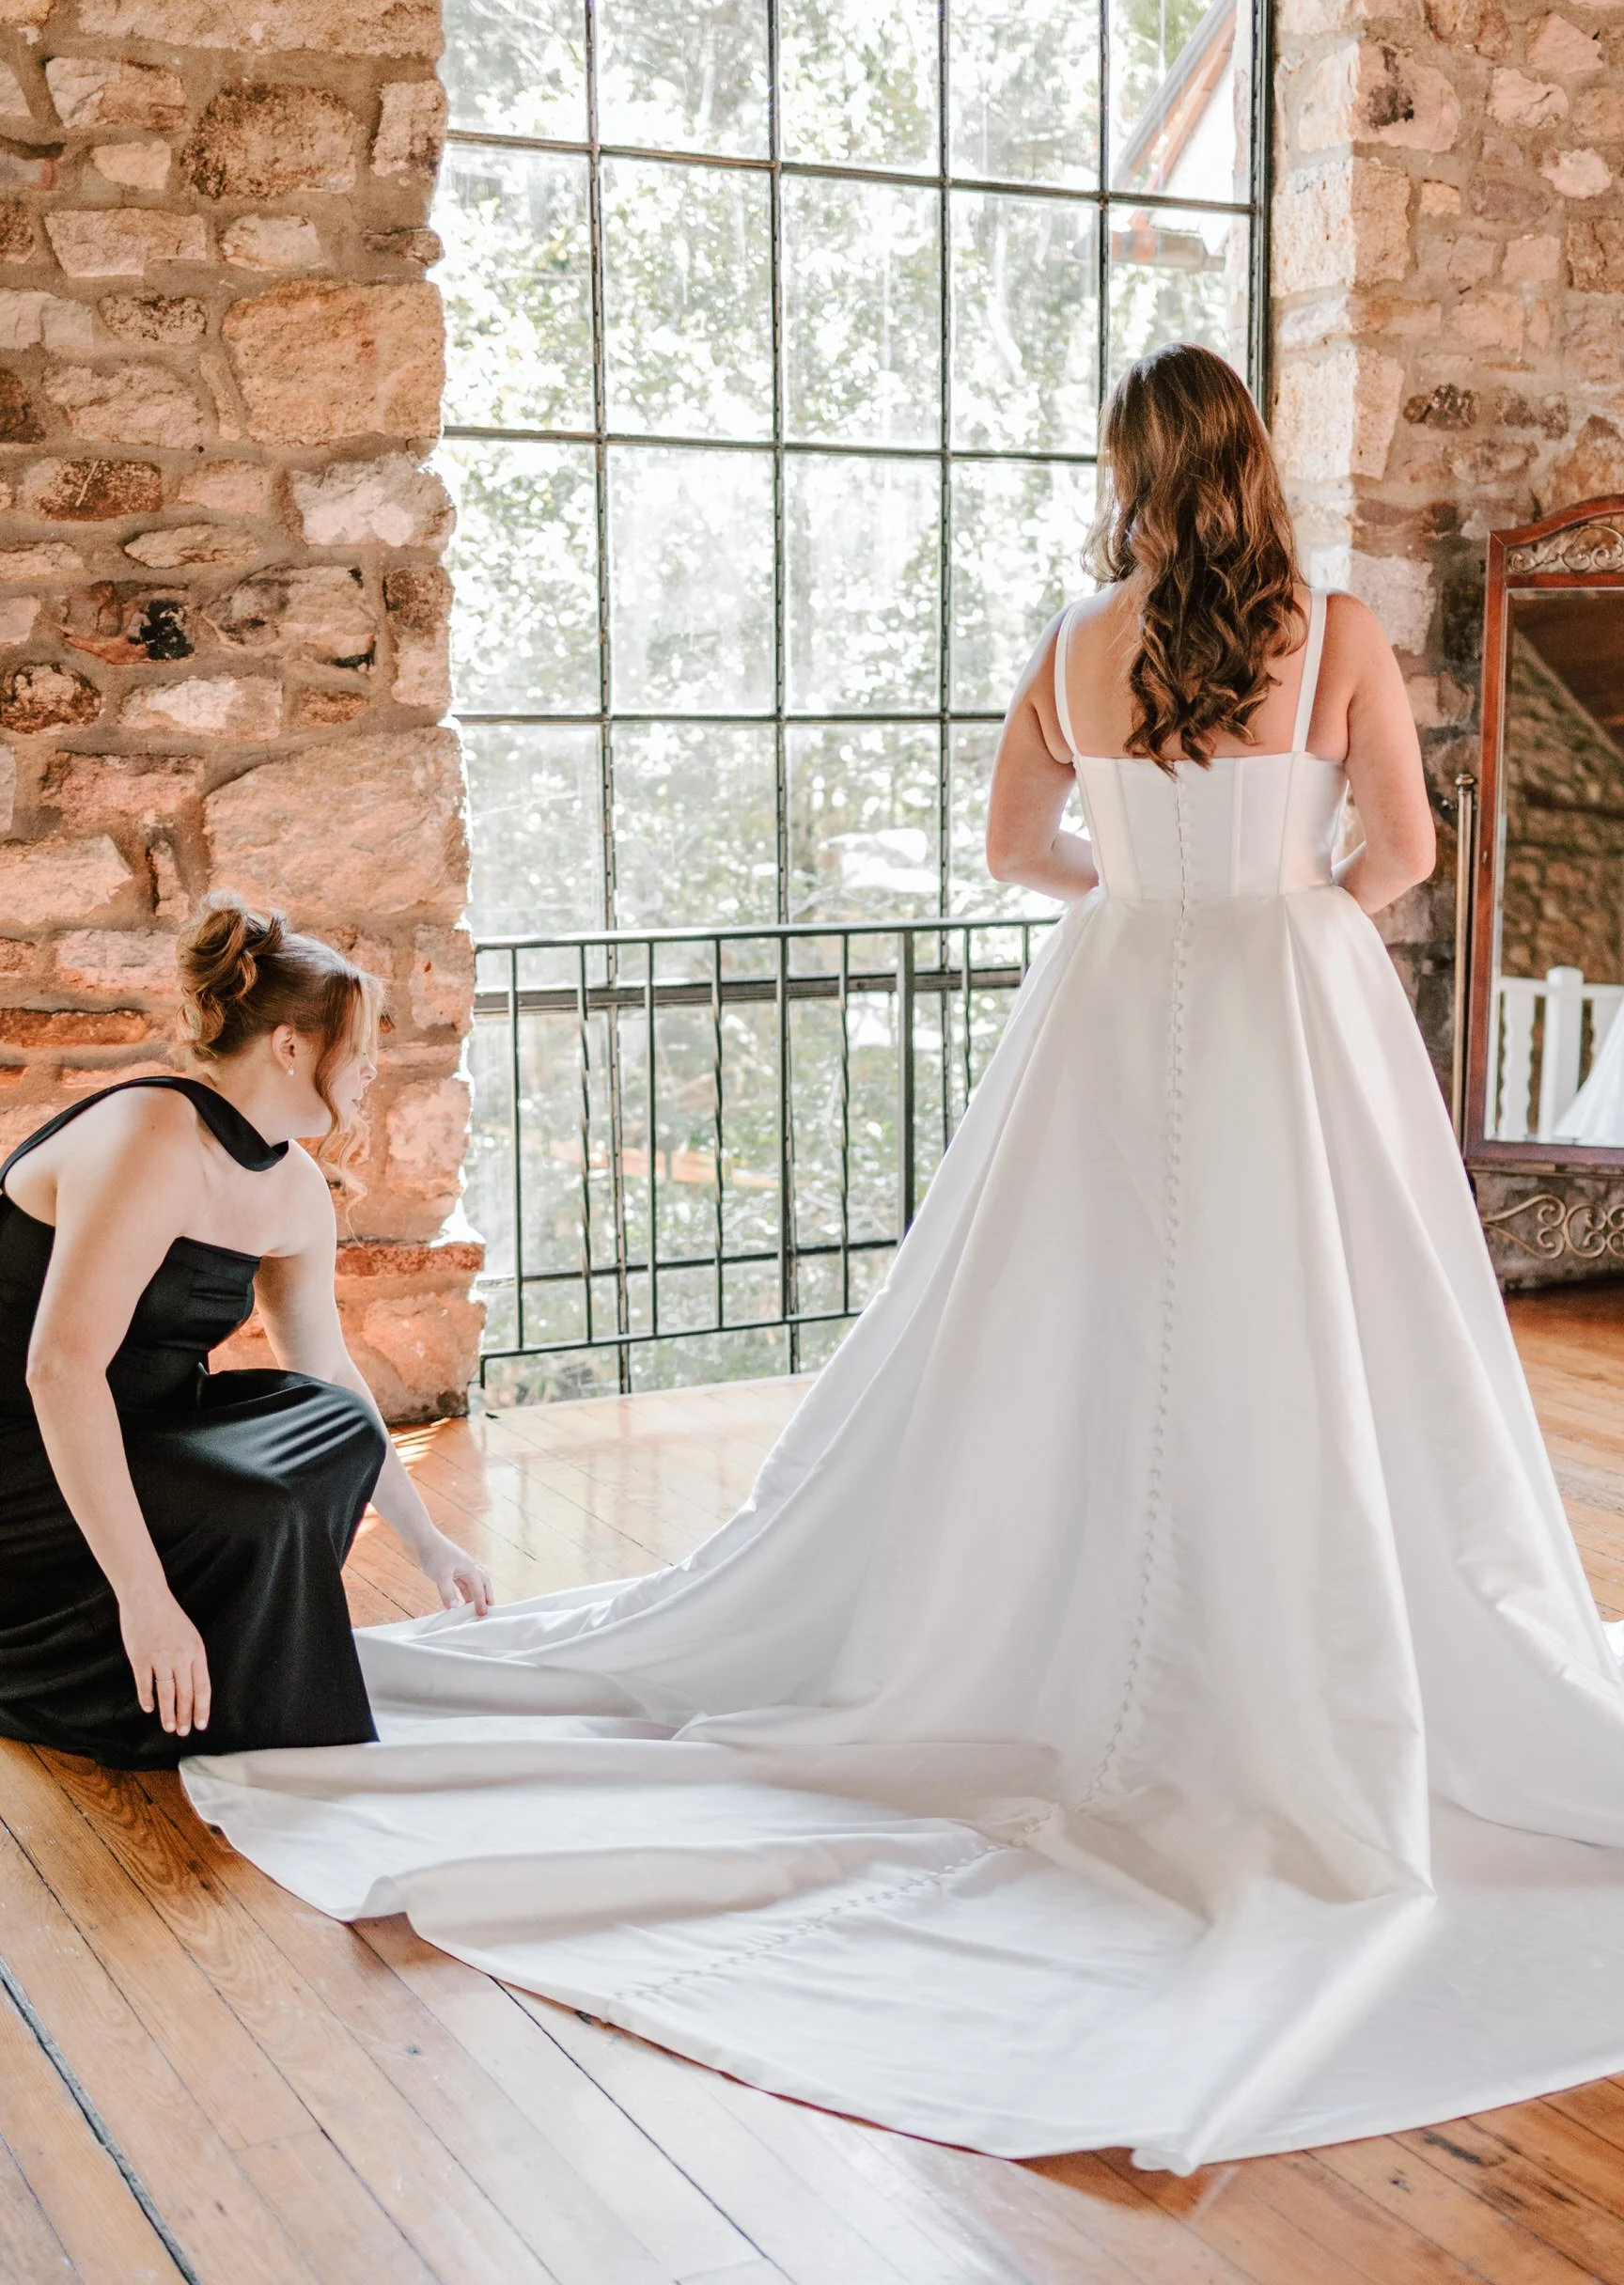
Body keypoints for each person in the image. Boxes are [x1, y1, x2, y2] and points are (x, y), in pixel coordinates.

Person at [186, 347, 1624, 2174]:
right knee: (1318, 1348)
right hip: (1288, 1011)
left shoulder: (1076, 641)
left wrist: (1152, 914)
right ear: (1252, 463)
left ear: (1132, 471)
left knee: (1076, 1343)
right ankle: (1311, 1663)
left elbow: (1021, 842)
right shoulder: (1331, 628)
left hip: (1112, 1018)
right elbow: (1404, 851)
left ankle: (1057, 1646)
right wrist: (1287, 942)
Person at [0, 898, 491, 1767]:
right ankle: (122, 1648)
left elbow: (328, 1369)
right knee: (254, 1498)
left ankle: (219, 1652)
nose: (373, 1068)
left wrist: (428, 1542)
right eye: (360, 1045)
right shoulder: (152, 1132)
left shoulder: (293, 1184)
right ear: (292, 1044)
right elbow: (59, 1370)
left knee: (338, 1428)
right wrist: (145, 1598)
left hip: (145, 1427)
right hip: (29, 1446)